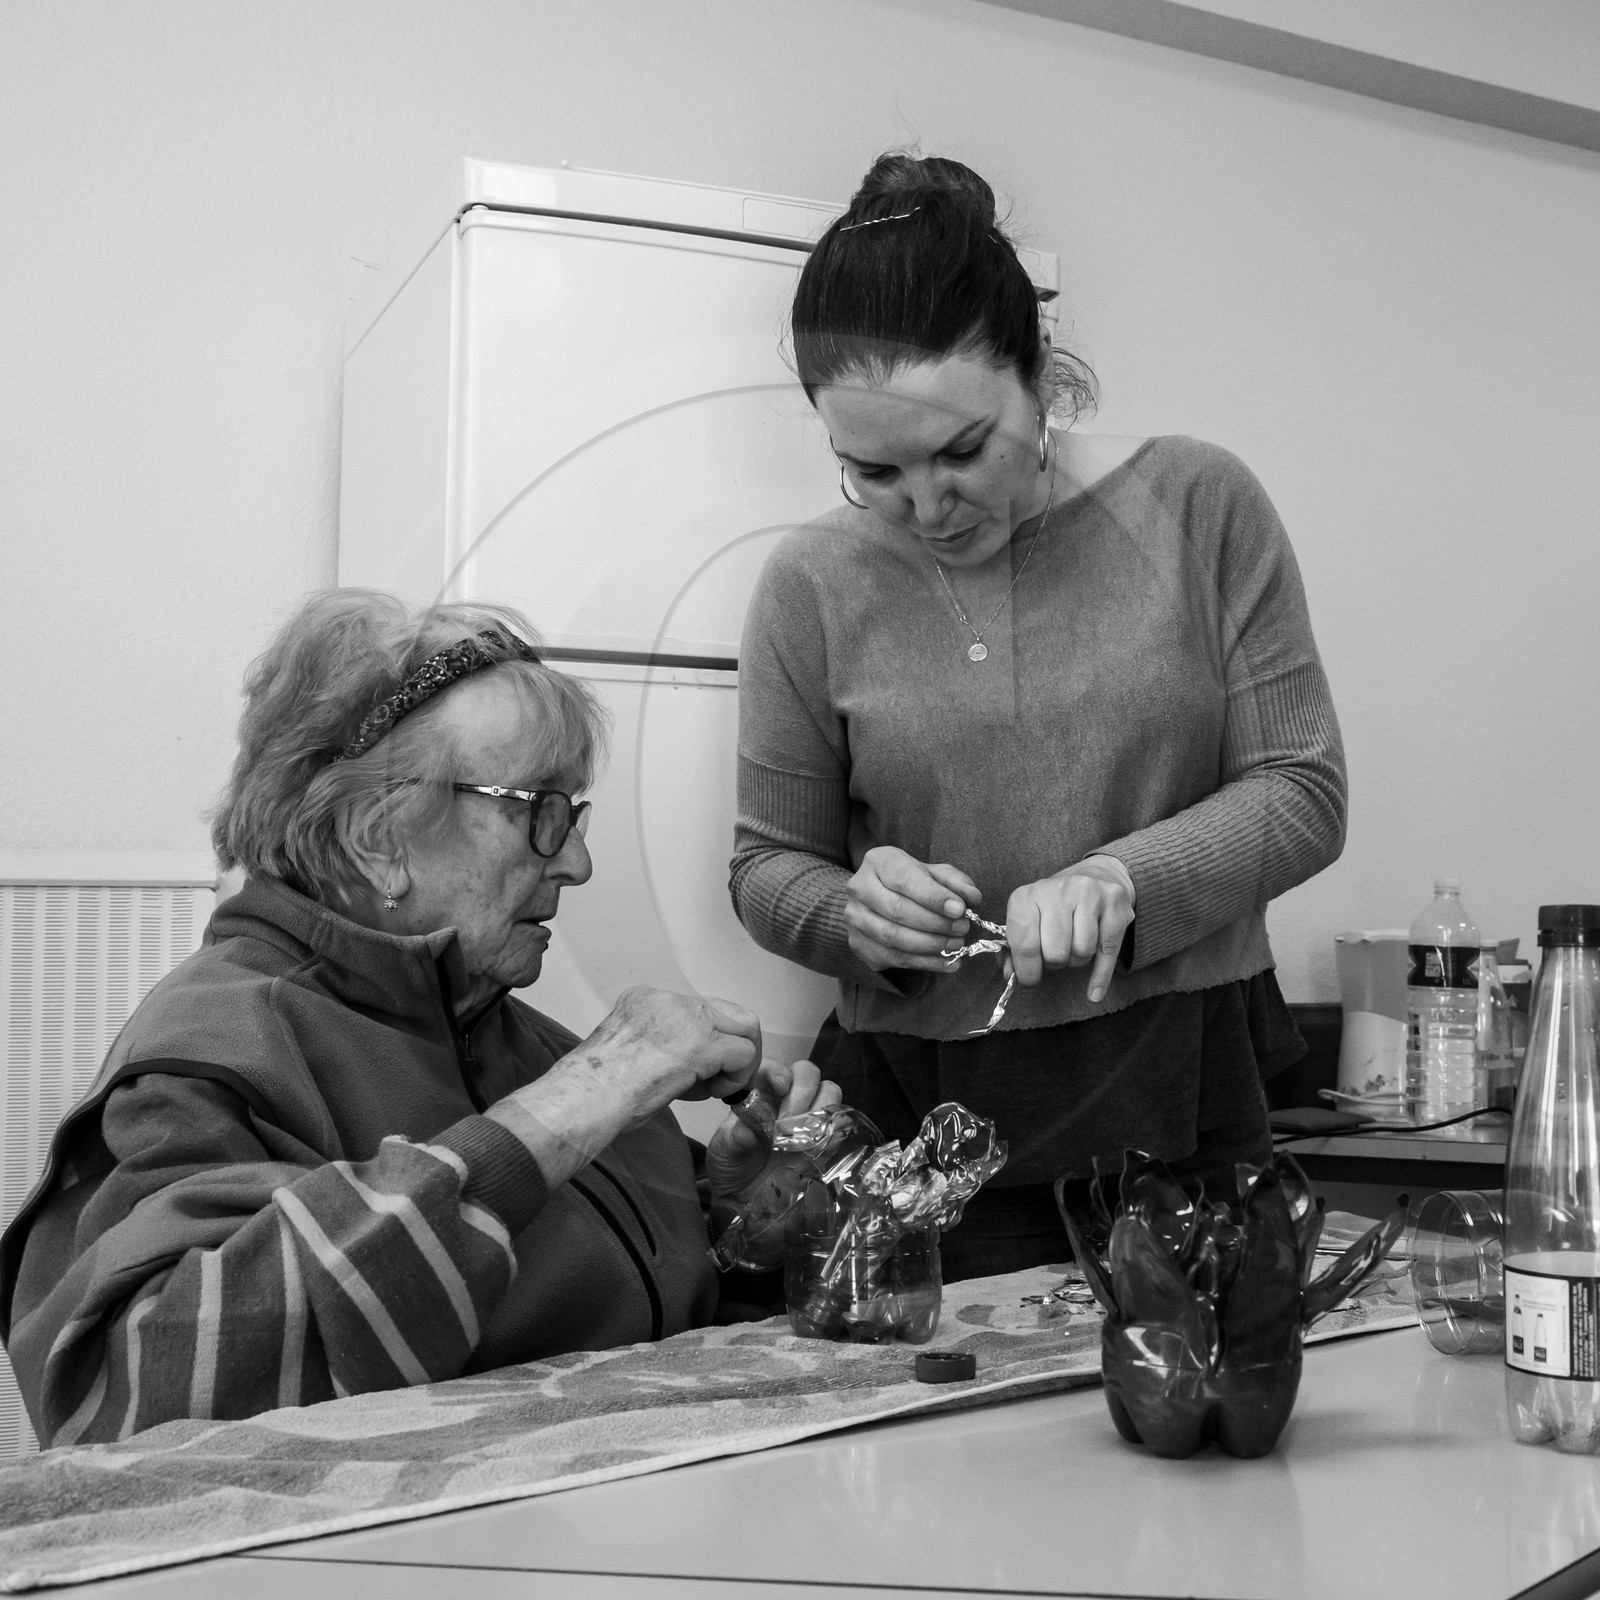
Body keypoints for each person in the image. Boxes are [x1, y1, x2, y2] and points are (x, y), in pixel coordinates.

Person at [1, 591, 836, 1446]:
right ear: (378, 837)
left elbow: (654, 1350)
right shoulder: (214, 1051)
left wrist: (741, 1231)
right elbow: (127, 1392)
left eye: (572, 815)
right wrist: (589, 1089)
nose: (578, 862)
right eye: (537, 814)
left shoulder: (507, 1032)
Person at [730, 153, 1346, 1278]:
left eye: (963, 450)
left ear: (1043, 374)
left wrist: (1123, 882)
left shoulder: (1198, 505)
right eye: (871, 470)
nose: (926, 507)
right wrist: (849, 915)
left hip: (1186, 1089)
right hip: (913, 1120)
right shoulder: (808, 584)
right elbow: (768, 865)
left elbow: (1301, 789)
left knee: (1198, 1418)